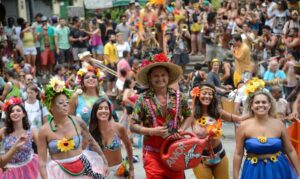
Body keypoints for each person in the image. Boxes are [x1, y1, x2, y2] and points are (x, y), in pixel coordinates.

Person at [130, 52, 192, 178]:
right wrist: (151, 131)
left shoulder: (179, 97)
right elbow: (132, 125)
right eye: (155, 76)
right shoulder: (143, 99)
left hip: (175, 152)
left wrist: (181, 129)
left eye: (163, 75)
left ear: (168, 77)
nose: (160, 79)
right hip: (152, 154)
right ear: (150, 79)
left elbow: (189, 115)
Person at [37, 77, 108, 179]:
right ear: (51, 106)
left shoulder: (77, 122)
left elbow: (92, 142)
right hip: (57, 172)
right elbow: (42, 162)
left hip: (82, 167)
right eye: (61, 103)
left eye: (66, 102)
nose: (65, 105)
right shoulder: (44, 130)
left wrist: (104, 161)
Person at [233, 90, 300, 179]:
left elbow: (290, 150)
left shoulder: (279, 124)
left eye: (264, 102)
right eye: (257, 102)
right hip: (253, 170)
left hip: (278, 169)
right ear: (252, 106)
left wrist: (299, 172)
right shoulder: (243, 126)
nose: (261, 105)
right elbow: (238, 153)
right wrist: (235, 176)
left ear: (269, 105)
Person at [190, 83, 246, 179]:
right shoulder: (191, 115)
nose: (207, 96)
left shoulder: (217, 112)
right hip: (199, 158)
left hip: (219, 155)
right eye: (204, 93)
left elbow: (237, 118)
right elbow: (178, 127)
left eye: (210, 94)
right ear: (198, 94)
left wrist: (255, 115)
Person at [90, 98, 134, 178]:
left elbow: (128, 146)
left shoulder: (118, 128)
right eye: (100, 108)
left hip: (119, 172)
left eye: (106, 108)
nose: (104, 111)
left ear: (110, 111)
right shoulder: (90, 131)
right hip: (99, 173)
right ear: (95, 112)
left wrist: (131, 169)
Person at [0, 97, 39, 178]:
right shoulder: (3, 131)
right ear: (9, 115)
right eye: (12, 111)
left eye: (18, 110)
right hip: (10, 170)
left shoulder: (32, 131)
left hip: (30, 168)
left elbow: (43, 149)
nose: (15, 113)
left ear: (24, 114)